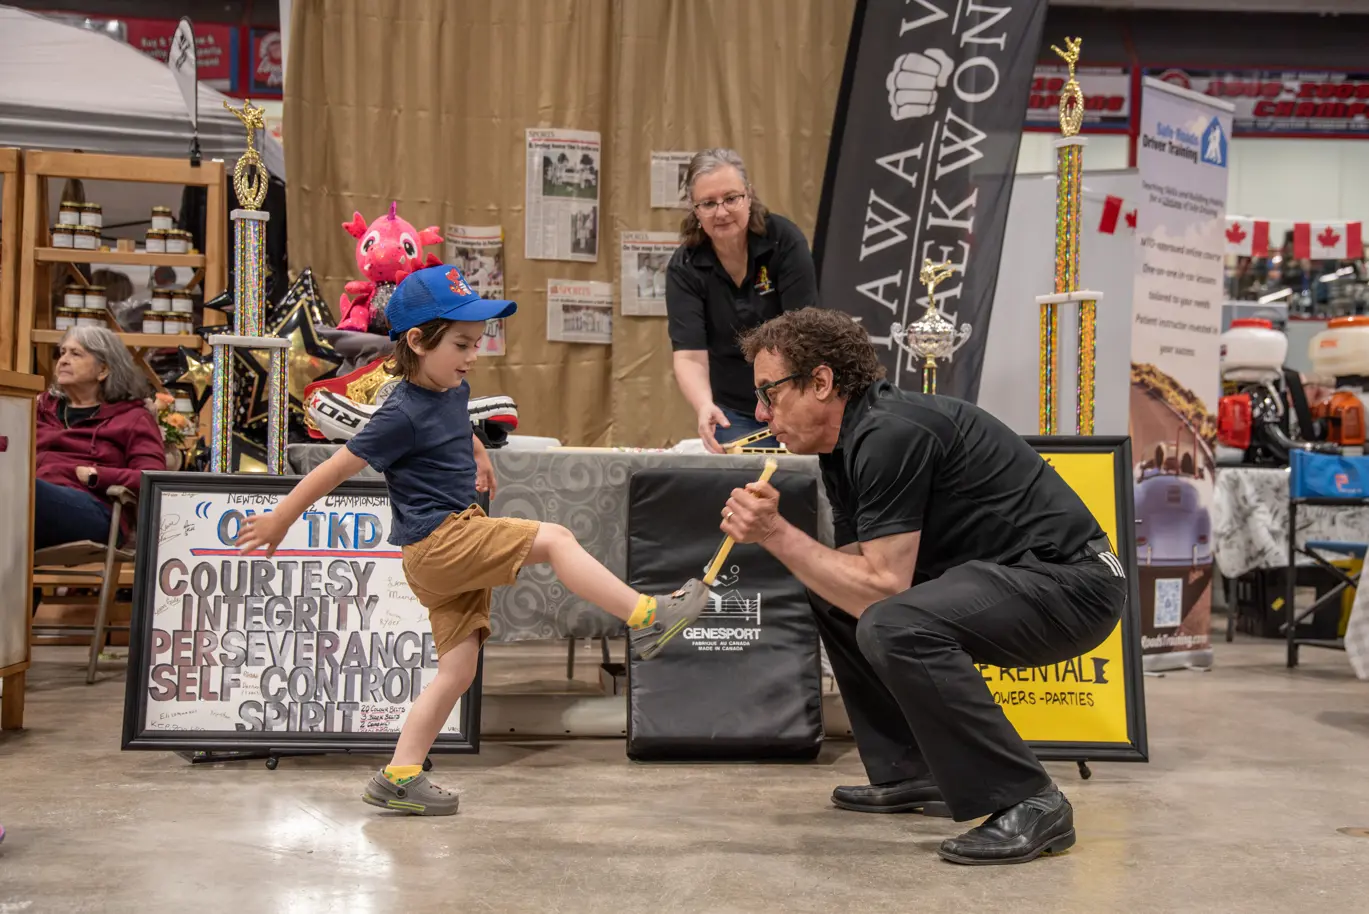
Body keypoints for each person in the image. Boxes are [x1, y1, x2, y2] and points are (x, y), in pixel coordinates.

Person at [235, 264, 710, 816]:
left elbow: (456, 415)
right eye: (461, 343)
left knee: (458, 671)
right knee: (555, 539)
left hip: (439, 550)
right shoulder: (399, 412)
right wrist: (280, 519)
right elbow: (335, 470)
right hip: (441, 543)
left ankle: (400, 775)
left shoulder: (446, 385)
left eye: (476, 343)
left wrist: (479, 454)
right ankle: (647, 614)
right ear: (416, 341)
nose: (472, 355)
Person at [719, 308, 1128, 866]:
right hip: (1011, 578)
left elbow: (884, 588)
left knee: (893, 620)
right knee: (833, 594)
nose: (762, 413)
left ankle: (1031, 799)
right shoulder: (844, 446)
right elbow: (857, 565)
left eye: (770, 392)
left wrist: (775, 534)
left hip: (1076, 586)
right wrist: (789, 544)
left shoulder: (891, 432)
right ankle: (914, 771)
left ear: (821, 382)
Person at [665, 148, 818, 453]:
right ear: (695, 210)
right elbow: (690, 356)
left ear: (749, 196)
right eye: (708, 203)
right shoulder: (684, 266)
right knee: (742, 491)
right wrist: (704, 405)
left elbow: (805, 334)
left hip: (792, 398)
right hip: (732, 410)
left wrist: (783, 402)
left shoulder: (784, 242)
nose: (721, 212)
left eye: (731, 198)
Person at [35, 326, 166, 549]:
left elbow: (153, 479)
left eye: (75, 354)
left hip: (93, 508)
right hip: (33, 502)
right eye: (62, 352)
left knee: (26, 493)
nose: (63, 360)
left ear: (103, 370)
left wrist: (99, 475)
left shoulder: (132, 418)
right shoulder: (39, 408)